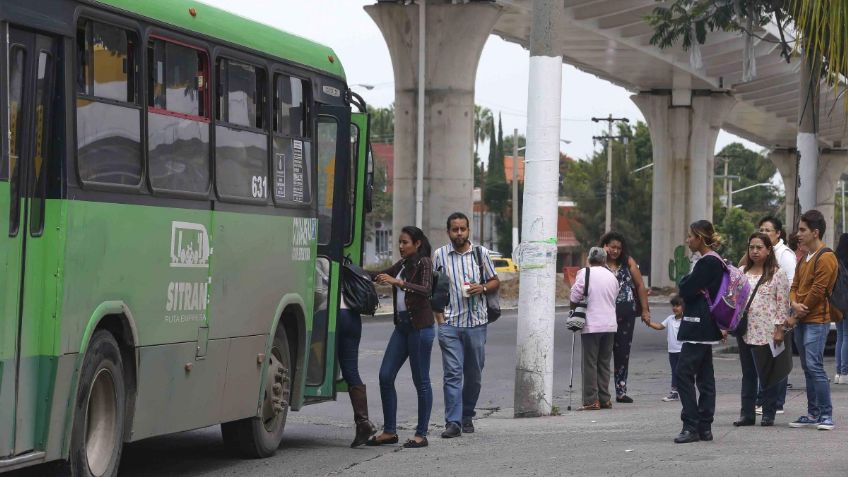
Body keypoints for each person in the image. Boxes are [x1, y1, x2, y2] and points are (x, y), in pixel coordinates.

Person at [366, 226, 436, 448]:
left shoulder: (424, 262)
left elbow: (426, 289)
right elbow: (380, 275)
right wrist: (353, 270)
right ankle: (389, 431)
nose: (401, 246)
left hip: (420, 328)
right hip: (402, 327)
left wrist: (398, 282)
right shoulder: (402, 264)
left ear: (416, 244)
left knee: (421, 381)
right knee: (385, 376)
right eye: (399, 242)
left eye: (405, 242)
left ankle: (421, 434)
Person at [433, 212, 500, 438]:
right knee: (452, 374)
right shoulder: (440, 255)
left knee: (474, 375)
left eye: (463, 229)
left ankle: (467, 414)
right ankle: (453, 422)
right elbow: (435, 290)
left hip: (477, 324)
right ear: (448, 231)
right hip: (450, 324)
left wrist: (481, 288)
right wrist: (440, 321)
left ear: (468, 230)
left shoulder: (481, 254)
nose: (459, 233)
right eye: (455, 229)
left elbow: (494, 280)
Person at [674, 220, 726, 444]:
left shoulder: (708, 262)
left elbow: (685, 289)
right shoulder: (712, 261)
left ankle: (691, 424)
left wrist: (686, 283)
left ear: (700, 237)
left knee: (683, 374)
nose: (687, 241)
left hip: (699, 325)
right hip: (706, 325)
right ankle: (705, 426)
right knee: (705, 377)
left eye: (690, 236)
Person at [788, 210, 840, 431]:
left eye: (803, 230)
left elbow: (818, 290)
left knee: (815, 366)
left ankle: (826, 415)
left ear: (815, 232)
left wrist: (798, 311)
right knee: (808, 367)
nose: (798, 234)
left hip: (817, 321)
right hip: (802, 320)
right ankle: (813, 413)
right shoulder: (804, 257)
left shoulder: (826, 257)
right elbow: (794, 286)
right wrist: (794, 304)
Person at [732, 233, 791, 427]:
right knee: (748, 373)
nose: (755, 251)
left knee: (768, 373)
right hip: (745, 331)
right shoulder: (742, 271)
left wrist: (779, 329)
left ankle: (768, 413)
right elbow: (735, 300)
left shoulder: (777, 273)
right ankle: (747, 414)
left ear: (768, 250)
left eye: (759, 248)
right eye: (751, 248)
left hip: (768, 332)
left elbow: (782, 303)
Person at [600, 232, 650, 403]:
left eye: (618, 248)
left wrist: (645, 310)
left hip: (626, 316)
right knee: (603, 354)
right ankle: (601, 392)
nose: (615, 251)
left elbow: (640, 285)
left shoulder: (628, 262)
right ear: (605, 246)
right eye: (612, 247)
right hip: (603, 316)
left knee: (622, 353)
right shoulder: (597, 262)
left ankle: (621, 391)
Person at [570, 247, 619, 410]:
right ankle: (605, 399)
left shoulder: (585, 273)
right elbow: (615, 296)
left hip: (592, 324)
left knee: (590, 363)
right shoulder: (612, 276)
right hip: (610, 325)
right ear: (604, 260)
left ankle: (591, 400)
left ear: (589, 259)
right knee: (604, 363)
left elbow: (574, 296)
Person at [755, 216, 794, 414]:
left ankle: (776, 402)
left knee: (777, 359)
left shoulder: (785, 255)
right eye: (761, 229)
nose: (764, 233)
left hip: (778, 316)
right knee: (764, 360)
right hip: (761, 318)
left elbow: (788, 287)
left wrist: (784, 320)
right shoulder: (760, 251)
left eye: (768, 230)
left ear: (778, 233)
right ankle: (764, 400)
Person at [337, 294, 376, 447]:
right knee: (350, 370)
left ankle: (364, 423)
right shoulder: (348, 269)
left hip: (334, 315)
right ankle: (363, 422)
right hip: (353, 316)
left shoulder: (323, 268)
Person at [644, 296, 685, 402]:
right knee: (674, 371)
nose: (675, 308)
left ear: (684, 307)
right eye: (674, 306)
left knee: (682, 372)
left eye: (678, 306)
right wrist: (649, 323)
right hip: (672, 350)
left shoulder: (686, 319)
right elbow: (659, 326)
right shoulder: (670, 318)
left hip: (683, 350)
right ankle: (675, 393)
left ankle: (684, 391)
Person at [834, 233, 848, 385]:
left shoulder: (836, 260)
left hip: (837, 303)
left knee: (840, 336)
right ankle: (845, 372)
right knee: (847, 336)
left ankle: (839, 372)